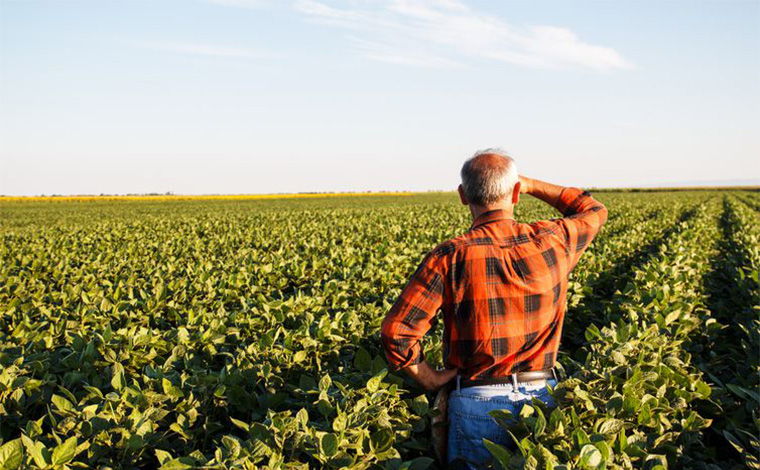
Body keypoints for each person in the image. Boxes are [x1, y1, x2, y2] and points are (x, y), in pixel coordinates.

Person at [380, 148, 607, 469]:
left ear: (462, 195)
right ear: (515, 192)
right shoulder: (554, 239)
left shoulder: (449, 256)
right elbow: (592, 208)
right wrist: (529, 184)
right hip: (542, 399)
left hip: (475, 401)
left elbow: (397, 332)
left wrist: (428, 378)